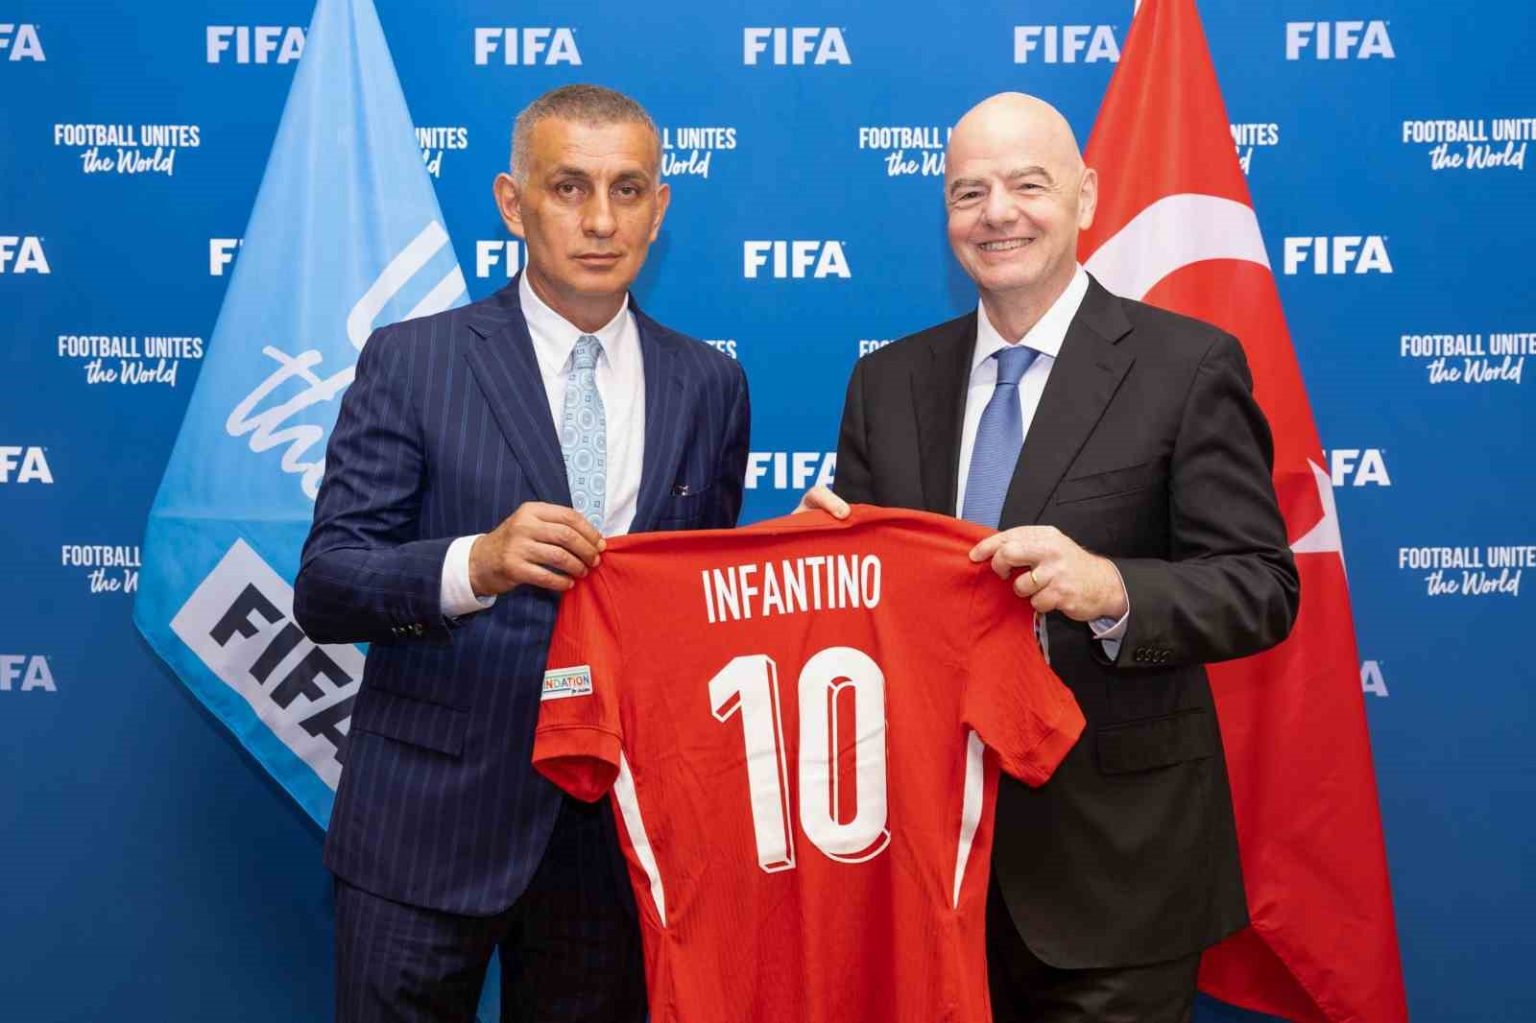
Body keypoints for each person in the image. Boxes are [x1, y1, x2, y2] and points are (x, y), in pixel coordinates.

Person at [802, 92, 1299, 1022]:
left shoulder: (1187, 365)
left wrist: (1111, 588)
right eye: (969, 192)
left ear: (1086, 196)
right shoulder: (886, 381)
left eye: (1028, 185)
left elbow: (1261, 585)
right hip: (923, 872)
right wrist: (822, 561)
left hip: (1117, 878)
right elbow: (867, 613)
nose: (998, 213)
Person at [294, 84, 750, 1023]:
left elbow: (698, 608)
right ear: (513, 202)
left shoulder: (711, 383)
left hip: (612, 834)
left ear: (659, 208)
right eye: (569, 187)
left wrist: (807, 559)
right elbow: (329, 584)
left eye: (628, 190)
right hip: (425, 828)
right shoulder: (413, 360)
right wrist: (477, 563)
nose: (600, 220)